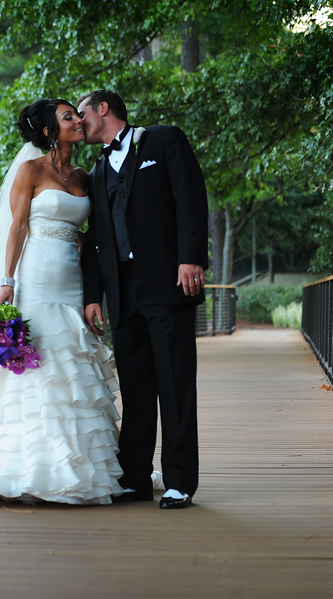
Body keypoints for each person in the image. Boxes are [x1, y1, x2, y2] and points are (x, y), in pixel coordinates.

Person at [0, 98, 160, 506]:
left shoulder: (84, 175)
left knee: (72, 368)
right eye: (68, 117)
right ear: (48, 131)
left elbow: (94, 234)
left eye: (78, 114)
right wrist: (7, 281)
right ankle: (27, 468)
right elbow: (18, 226)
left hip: (72, 281)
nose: (78, 120)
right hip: (36, 278)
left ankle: (77, 468)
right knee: (37, 369)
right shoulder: (30, 171)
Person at [76, 90, 208, 509]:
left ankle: (180, 482)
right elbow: (96, 241)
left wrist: (191, 259)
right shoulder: (96, 172)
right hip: (121, 290)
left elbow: (191, 199)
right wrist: (94, 295)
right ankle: (134, 477)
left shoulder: (164, 140)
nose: (78, 122)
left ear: (103, 109)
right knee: (134, 386)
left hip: (168, 281)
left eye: (81, 113)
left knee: (174, 382)